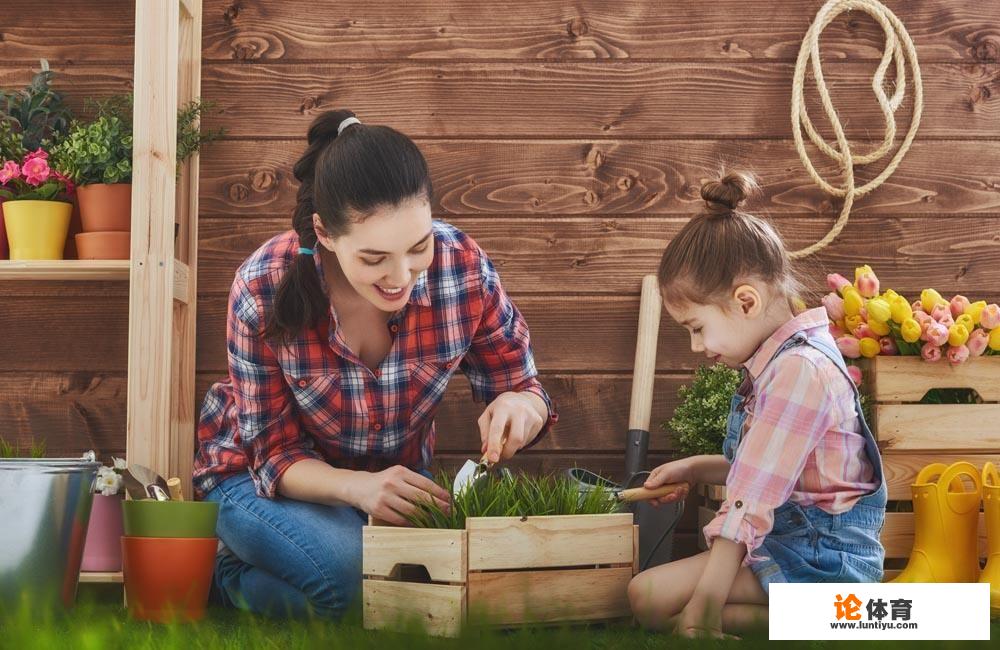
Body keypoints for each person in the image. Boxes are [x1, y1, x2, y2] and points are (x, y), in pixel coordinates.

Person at [193, 110, 557, 619]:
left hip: (388, 492)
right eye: (373, 258)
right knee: (356, 579)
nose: (401, 275)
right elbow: (272, 456)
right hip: (256, 483)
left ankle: (288, 576)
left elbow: (523, 385)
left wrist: (521, 405)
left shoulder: (462, 266)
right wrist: (359, 488)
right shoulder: (262, 286)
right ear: (324, 232)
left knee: (414, 594)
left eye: (418, 247)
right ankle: (228, 573)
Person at [629, 172, 886, 637]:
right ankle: (838, 625)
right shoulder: (779, 363)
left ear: (745, 301)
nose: (694, 347)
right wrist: (693, 469)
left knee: (649, 598)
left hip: (821, 562)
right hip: (785, 546)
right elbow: (769, 472)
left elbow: (752, 498)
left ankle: (844, 618)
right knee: (649, 600)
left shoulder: (798, 371)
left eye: (696, 327)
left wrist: (703, 607)